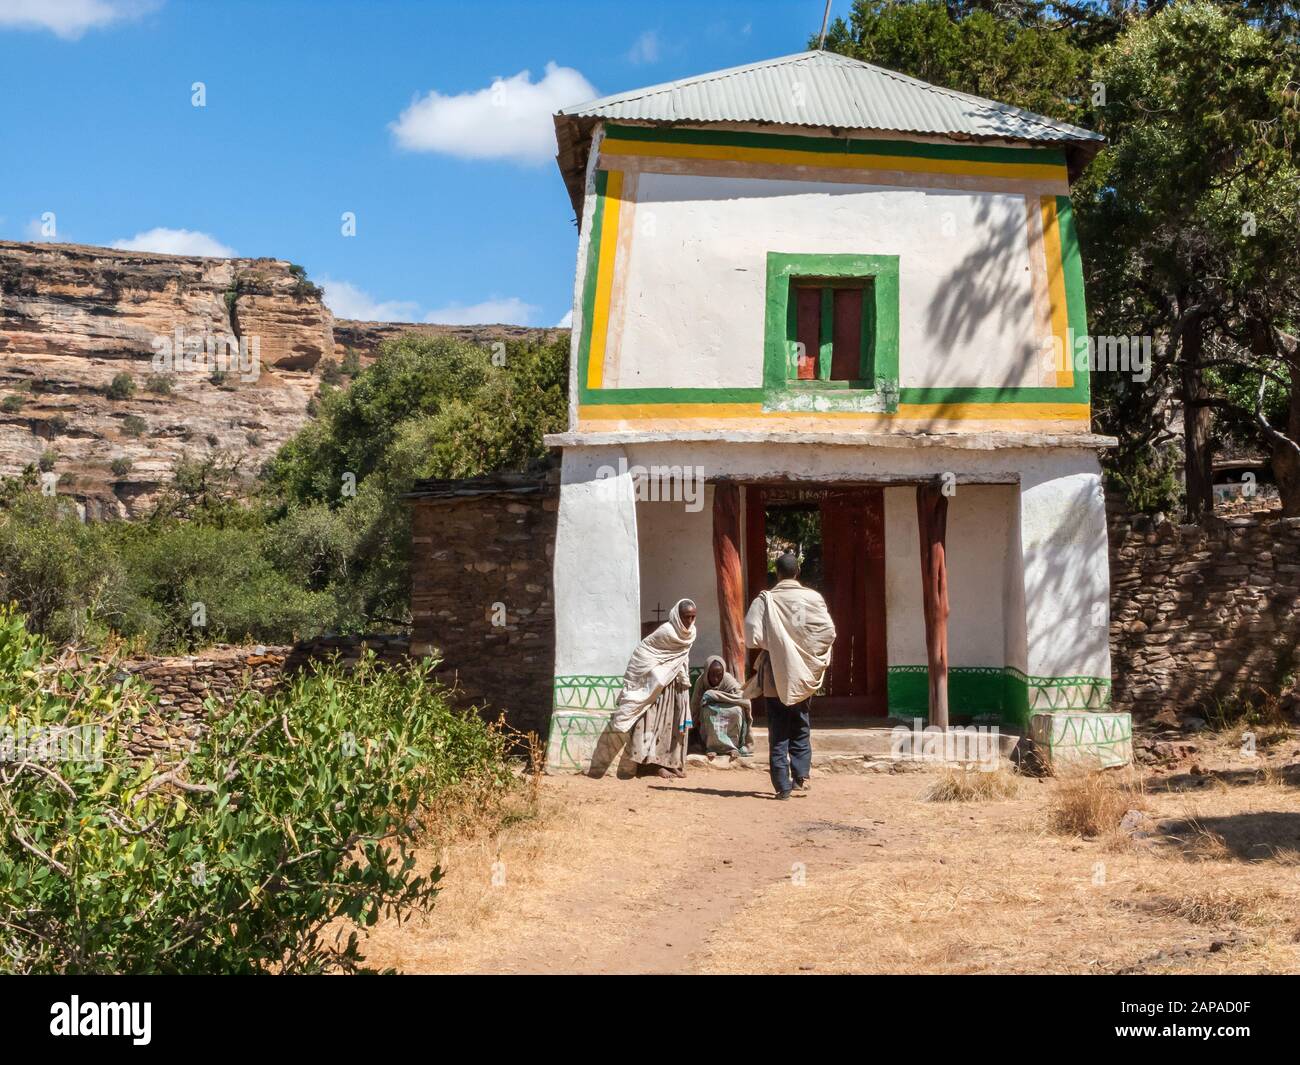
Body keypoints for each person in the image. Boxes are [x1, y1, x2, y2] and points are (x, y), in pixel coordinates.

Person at [744, 553, 836, 799]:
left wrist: (777, 644)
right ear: (798, 573)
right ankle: (801, 776)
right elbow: (828, 632)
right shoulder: (813, 598)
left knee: (778, 729)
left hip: (775, 672)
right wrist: (805, 652)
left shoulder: (765, 600)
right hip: (803, 674)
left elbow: (752, 637)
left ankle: (782, 786)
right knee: (801, 724)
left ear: (777, 573)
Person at [610, 598, 697, 779]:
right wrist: (658, 675)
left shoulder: (691, 632)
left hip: (677, 686)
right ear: (677, 616)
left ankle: (671, 762)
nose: (689, 621)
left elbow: (681, 658)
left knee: (674, 727)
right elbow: (643, 653)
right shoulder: (666, 632)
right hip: (660, 688)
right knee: (656, 725)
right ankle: (652, 765)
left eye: (692, 617)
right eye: (686, 617)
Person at [690, 655, 753, 760]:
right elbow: (695, 705)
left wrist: (713, 695)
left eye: (719, 675)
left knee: (737, 711)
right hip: (708, 714)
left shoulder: (728, 680)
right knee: (707, 710)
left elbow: (743, 698)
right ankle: (711, 747)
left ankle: (733, 747)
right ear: (706, 673)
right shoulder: (701, 682)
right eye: (712, 675)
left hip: (729, 710)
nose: (715, 679)